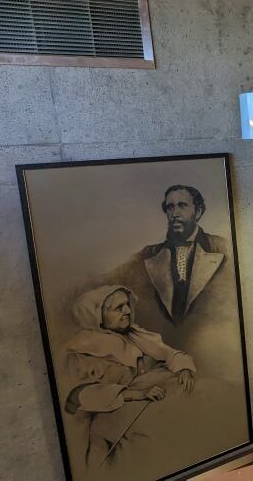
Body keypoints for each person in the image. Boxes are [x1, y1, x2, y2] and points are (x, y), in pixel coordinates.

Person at [64, 285, 196, 471]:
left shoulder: (136, 335)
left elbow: (168, 353)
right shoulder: (82, 349)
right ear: (98, 316)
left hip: (147, 405)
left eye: (127, 305)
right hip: (107, 422)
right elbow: (79, 396)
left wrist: (184, 368)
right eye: (119, 308)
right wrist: (137, 394)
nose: (127, 311)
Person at [114, 185, 232, 328]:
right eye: (170, 207)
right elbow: (113, 278)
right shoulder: (149, 253)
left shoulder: (221, 247)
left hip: (211, 337)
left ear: (198, 212)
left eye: (182, 206)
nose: (175, 213)